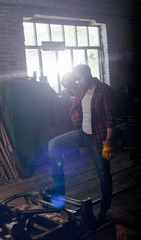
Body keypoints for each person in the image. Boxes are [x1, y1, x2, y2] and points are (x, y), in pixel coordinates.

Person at [43, 64, 117, 226]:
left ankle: (105, 211)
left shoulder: (104, 91)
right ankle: (58, 189)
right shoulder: (81, 89)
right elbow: (70, 87)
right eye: (77, 79)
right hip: (82, 134)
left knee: (103, 172)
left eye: (80, 78)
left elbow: (111, 120)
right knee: (53, 144)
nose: (79, 81)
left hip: (99, 137)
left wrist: (108, 142)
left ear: (89, 74)